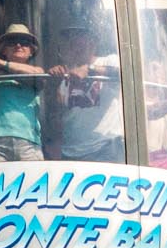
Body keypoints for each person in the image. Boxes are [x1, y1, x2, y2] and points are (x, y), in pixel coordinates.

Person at [0, 23, 49, 162]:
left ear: (31, 51)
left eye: (24, 43)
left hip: (29, 143)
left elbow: (39, 76)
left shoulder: (36, 71)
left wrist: (1, 64)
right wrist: (9, 71)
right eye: (12, 42)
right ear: (4, 50)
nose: (18, 45)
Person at [48, 25, 122, 162]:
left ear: (93, 42)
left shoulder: (109, 60)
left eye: (80, 36)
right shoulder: (65, 73)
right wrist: (54, 83)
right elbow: (58, 117)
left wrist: (90, 69)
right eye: (71, 38)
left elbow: (125, 73)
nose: (75, 42)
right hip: (70, 151)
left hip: (105, 147)